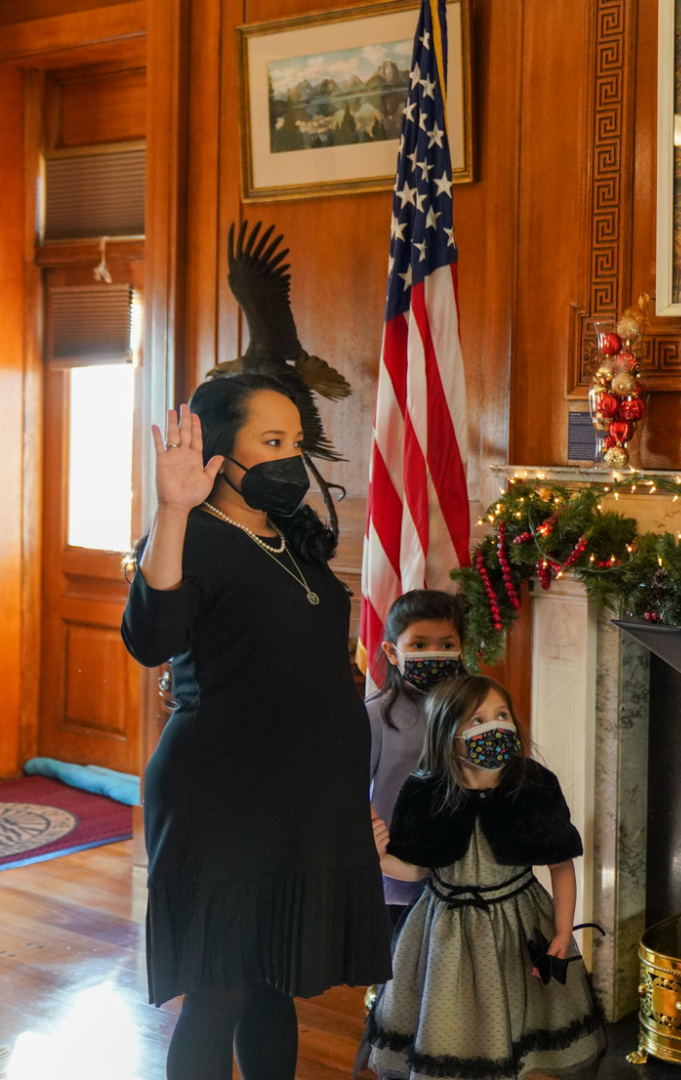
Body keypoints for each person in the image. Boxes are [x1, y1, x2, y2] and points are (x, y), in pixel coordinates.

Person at [120, 374, 391, 1080]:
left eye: (295, 443)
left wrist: (343, 796)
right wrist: (173, 509)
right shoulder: (191, 535)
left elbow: (317, 676)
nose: (290, 460)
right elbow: (152, 636)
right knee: (221, 990)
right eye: (270, 442)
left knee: (276, 977)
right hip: (222, 798)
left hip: (303, 798)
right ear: (217, 451)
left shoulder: (295, 540)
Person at [366, 675, 606, 1080]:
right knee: (447, 1028)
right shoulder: (425, 789)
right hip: (443, 932)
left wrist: (564, 931)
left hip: (517, 926)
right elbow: (415, 868)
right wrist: (377, 858)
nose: (494, 727)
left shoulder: (533, 785)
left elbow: (560, 864)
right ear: (449, 734)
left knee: (518, 1023)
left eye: (501, 715)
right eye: (477, 720)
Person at [353, 589, 469, 1077]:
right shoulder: (379, 715)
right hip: (397, 880)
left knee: (444, 986)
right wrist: (375, 848)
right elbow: (353, 793)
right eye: (419, 644)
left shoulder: (475, 709)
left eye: (446, 644)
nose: (433, 655)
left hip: (458, 872)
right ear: (391, 651)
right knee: (398, 987)